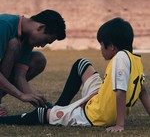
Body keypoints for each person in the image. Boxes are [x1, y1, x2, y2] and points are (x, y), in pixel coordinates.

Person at [0, 18, 149, 132]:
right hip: (101, 98)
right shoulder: (135, 60)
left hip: (97, 114)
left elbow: (121, 92)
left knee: (42, 114)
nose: (100, 48)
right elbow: (142, 92)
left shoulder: (120, 58)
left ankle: (3, 120)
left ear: (111, 46)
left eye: (101, 44)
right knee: (81, 64)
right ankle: (60, 107)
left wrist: (119, 124)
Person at [0, 10, 66, 116]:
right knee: (14, 44)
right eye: (46, 40)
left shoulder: (27, 38)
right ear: (40, 27)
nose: (43, 45)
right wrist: (20, 95)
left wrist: (37, 101)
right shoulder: (4, 25)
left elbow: (19, 76)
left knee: (38, 59)